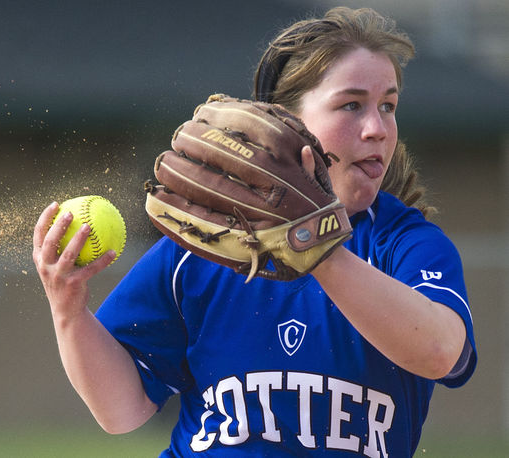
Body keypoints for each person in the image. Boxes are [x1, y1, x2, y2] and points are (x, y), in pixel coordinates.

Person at [32, 6, 476, 456]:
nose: (377, 129)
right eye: (351, 105)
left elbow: (441, 352)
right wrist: (68, 311)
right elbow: (121, 410)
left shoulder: (404, 244)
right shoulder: (206, 244)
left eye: (388, 106)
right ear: (287, 122)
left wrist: (314, 243)